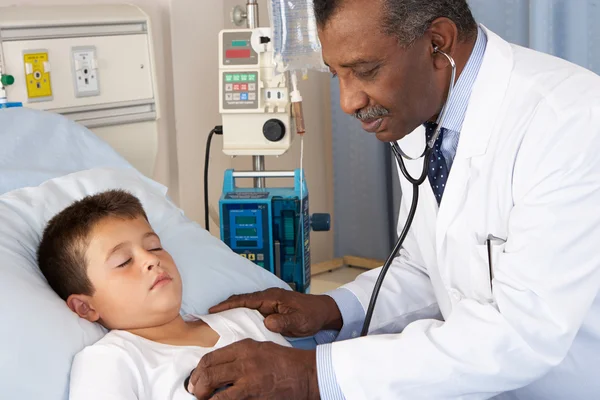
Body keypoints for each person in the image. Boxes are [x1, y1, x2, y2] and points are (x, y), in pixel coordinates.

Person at [187, 0, 600, 399]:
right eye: (337, 76)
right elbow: (427, 269)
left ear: (438, 43)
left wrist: (313, 376)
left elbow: (524, 332)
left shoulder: (569, 121)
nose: (349, 102)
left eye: (365, 71)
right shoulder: (428, 111)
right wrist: (332, 309)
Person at [37, 190, 296, 400]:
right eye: (124, 261)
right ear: (84, 307)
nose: (151, 259)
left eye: (155, 246)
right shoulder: (111, 362)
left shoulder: (246, 320)